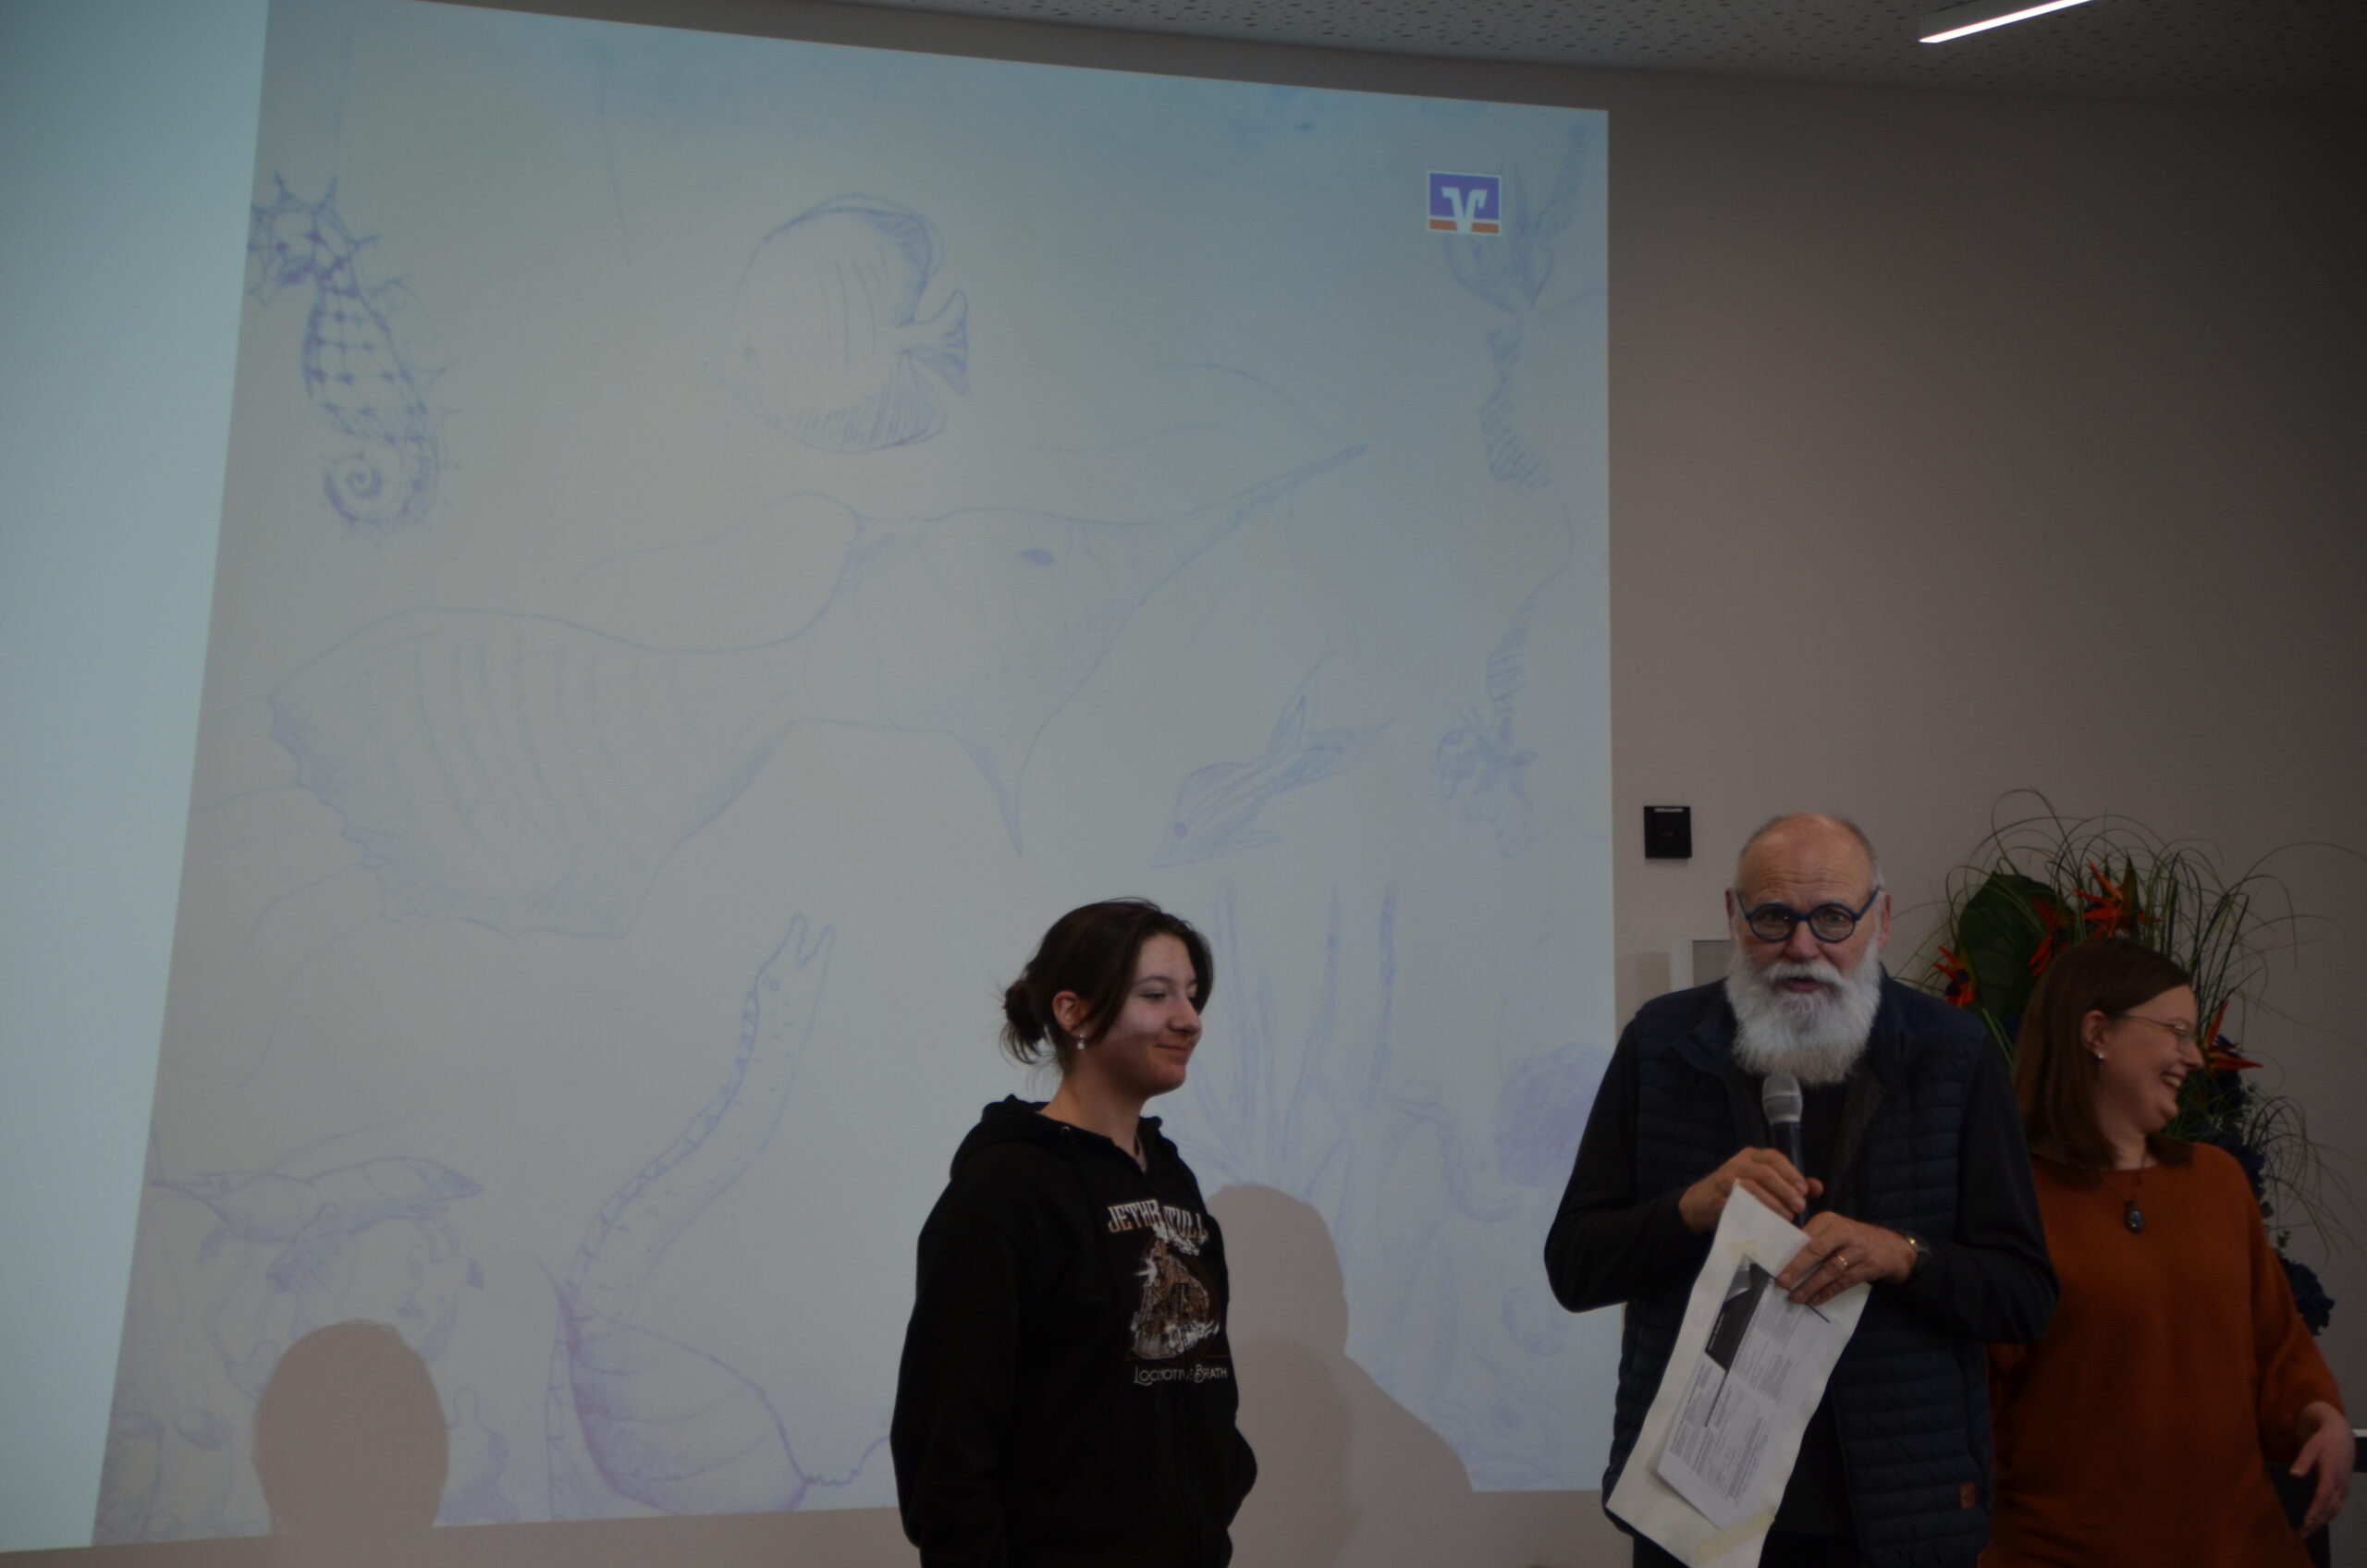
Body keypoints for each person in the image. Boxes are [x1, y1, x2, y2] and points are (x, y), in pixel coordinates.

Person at [1545, 812, 2058, 1567]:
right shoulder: (1661, 1044)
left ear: (1881, 919)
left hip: (1897, 1518)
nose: (1803, 947)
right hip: (1696, 1514)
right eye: (1774, 918)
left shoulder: (1953, 1053)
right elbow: (1574, 1267)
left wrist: (1904, 1255)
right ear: (1733, 915)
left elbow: (2024, 1296)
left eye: (1833, 918)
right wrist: (1691, 1209)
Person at [891, 898, 1257, 1567]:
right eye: (1157, 994)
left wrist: (1212, 1492)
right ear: (1074, 1013)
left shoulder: (1171, 1180)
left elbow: (1200, 1381)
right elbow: (947, 1443)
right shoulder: (1004, 1190)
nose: (1189, 1019)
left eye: (1192, 995)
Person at [1984, 937, 2350, 1565]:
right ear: (2097, 1033)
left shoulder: (2217, 1181)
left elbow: (2278, 1347)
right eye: (2176, 1032)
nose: (2196, 1057)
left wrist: (2321, 1417)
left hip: (2244, 1549)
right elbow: (1972, 1409)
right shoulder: (2008, 1198)